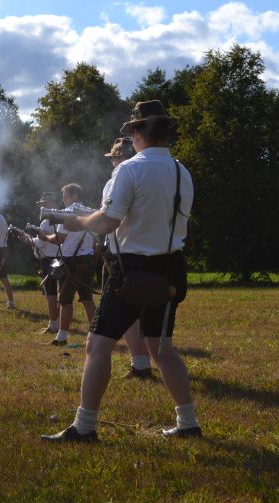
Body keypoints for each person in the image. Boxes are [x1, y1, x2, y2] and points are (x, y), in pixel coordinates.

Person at [42, 100, 198, 442]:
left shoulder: (128, 170)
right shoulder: (181, 172)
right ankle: (188, 423)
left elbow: (107, 222)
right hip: (170, 268)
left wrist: (77, 220)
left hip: (132, 269)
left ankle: (84, 427)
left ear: (138, 132)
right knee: (163, 349)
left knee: (97, 346)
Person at [102, 137, 154, 379]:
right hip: (144, 251)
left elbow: (109, 219)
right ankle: (144, 360)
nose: (113, 162)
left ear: (117, 158)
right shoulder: (149, 175)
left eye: (113, 158)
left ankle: (141, 363)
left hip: (121, 254)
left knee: (124, 313)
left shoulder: (117, 179)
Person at [37, 183, 97, 346]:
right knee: (87, 299)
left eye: (66, 196)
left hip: (73, 261)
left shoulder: (69, 214)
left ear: (74, 196)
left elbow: (59, 239)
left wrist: (44, 237)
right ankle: (95, 337)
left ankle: (61, 337)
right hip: (87, 259)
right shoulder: (89, 213)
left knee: (65, 300)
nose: (63, 199)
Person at [14, 192, 60, 334]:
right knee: (57, 295)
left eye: (44, 204)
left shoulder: (47, 221)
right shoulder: (61, 217)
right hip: (57, 259)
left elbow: (40, 243)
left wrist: (26, 239)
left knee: (51, 295)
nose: (42, 207)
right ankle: (58, 324)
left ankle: (53, 326)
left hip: (49, 261)